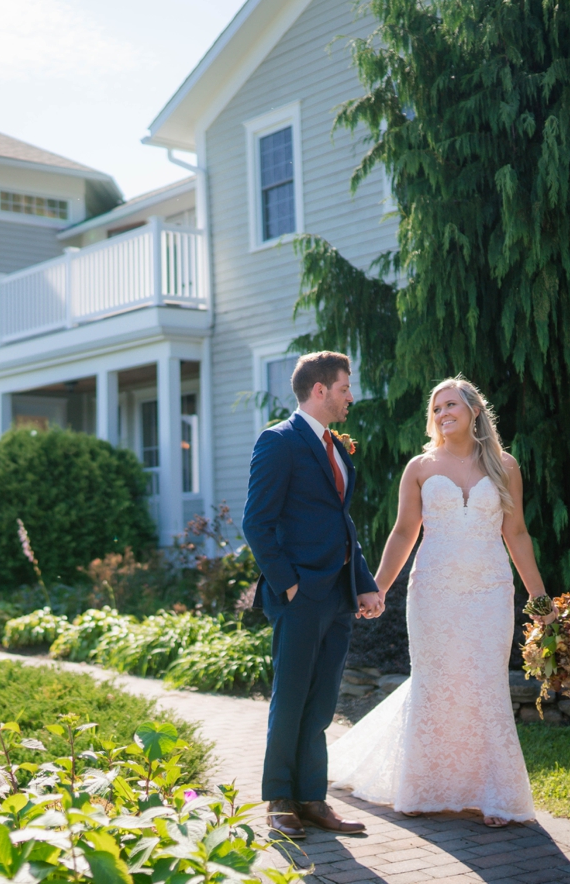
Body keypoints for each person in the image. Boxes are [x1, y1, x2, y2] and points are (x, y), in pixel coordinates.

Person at [326, 376, 556, 827]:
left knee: (486, 685)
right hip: (433, 591)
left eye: (451, 404)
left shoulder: (505, 466)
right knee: (435, 682)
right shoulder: (420, 467)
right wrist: (378, 587)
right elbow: (404, 533)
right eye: (436, 408)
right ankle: (425, 789)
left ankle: (493, 795)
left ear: (473, 410)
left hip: (490, 591)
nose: (443, 413)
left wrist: (539, 598)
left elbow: (516, 533)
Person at [242, 351, 385, 840]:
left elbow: (341, 523)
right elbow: (256, 522)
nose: (351, 396)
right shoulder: (278, 442)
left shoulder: (337, 447)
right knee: (292, 698)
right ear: (320, 390)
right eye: (346, 387)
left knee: (322, 703)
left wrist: (363, 582)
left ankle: (311, 799)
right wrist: (288, 583)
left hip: (339, 597)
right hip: (300, 596)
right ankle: (279, 800)